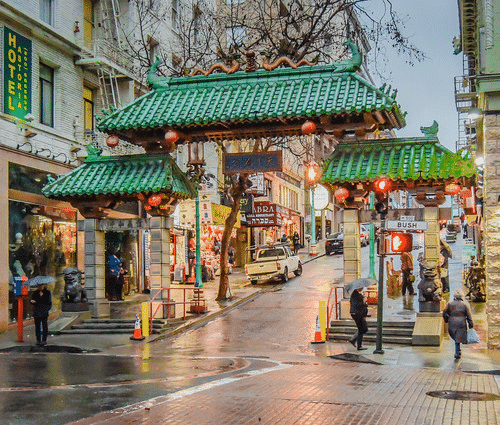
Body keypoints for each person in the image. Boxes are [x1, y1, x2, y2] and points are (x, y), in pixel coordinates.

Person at [443, 290, 473, 360]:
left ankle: (457, 351)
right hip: (461, 322)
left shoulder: (449, 304)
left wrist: (446, 319)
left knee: (456, 337)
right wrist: (470, 324)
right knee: (458, 338)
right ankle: (457, 351)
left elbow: (444, 312)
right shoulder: (465, 304)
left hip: (452, 322)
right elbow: (469, 315)